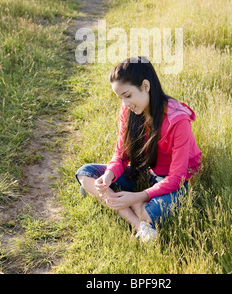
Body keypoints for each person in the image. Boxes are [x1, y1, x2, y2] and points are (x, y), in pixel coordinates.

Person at [75, 56, 202, 242]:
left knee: (152, 213)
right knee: (86, 173)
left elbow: (176, 177)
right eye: (120, 98)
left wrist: (135, 197)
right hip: (146, 172)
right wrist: (108, 176)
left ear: (145, 86)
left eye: (127, 96)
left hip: (176, 181)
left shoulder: (178, 120)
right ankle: (139, 225)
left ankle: (129, 206)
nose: (125, 103)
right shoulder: (129, 110)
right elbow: (120, 155)